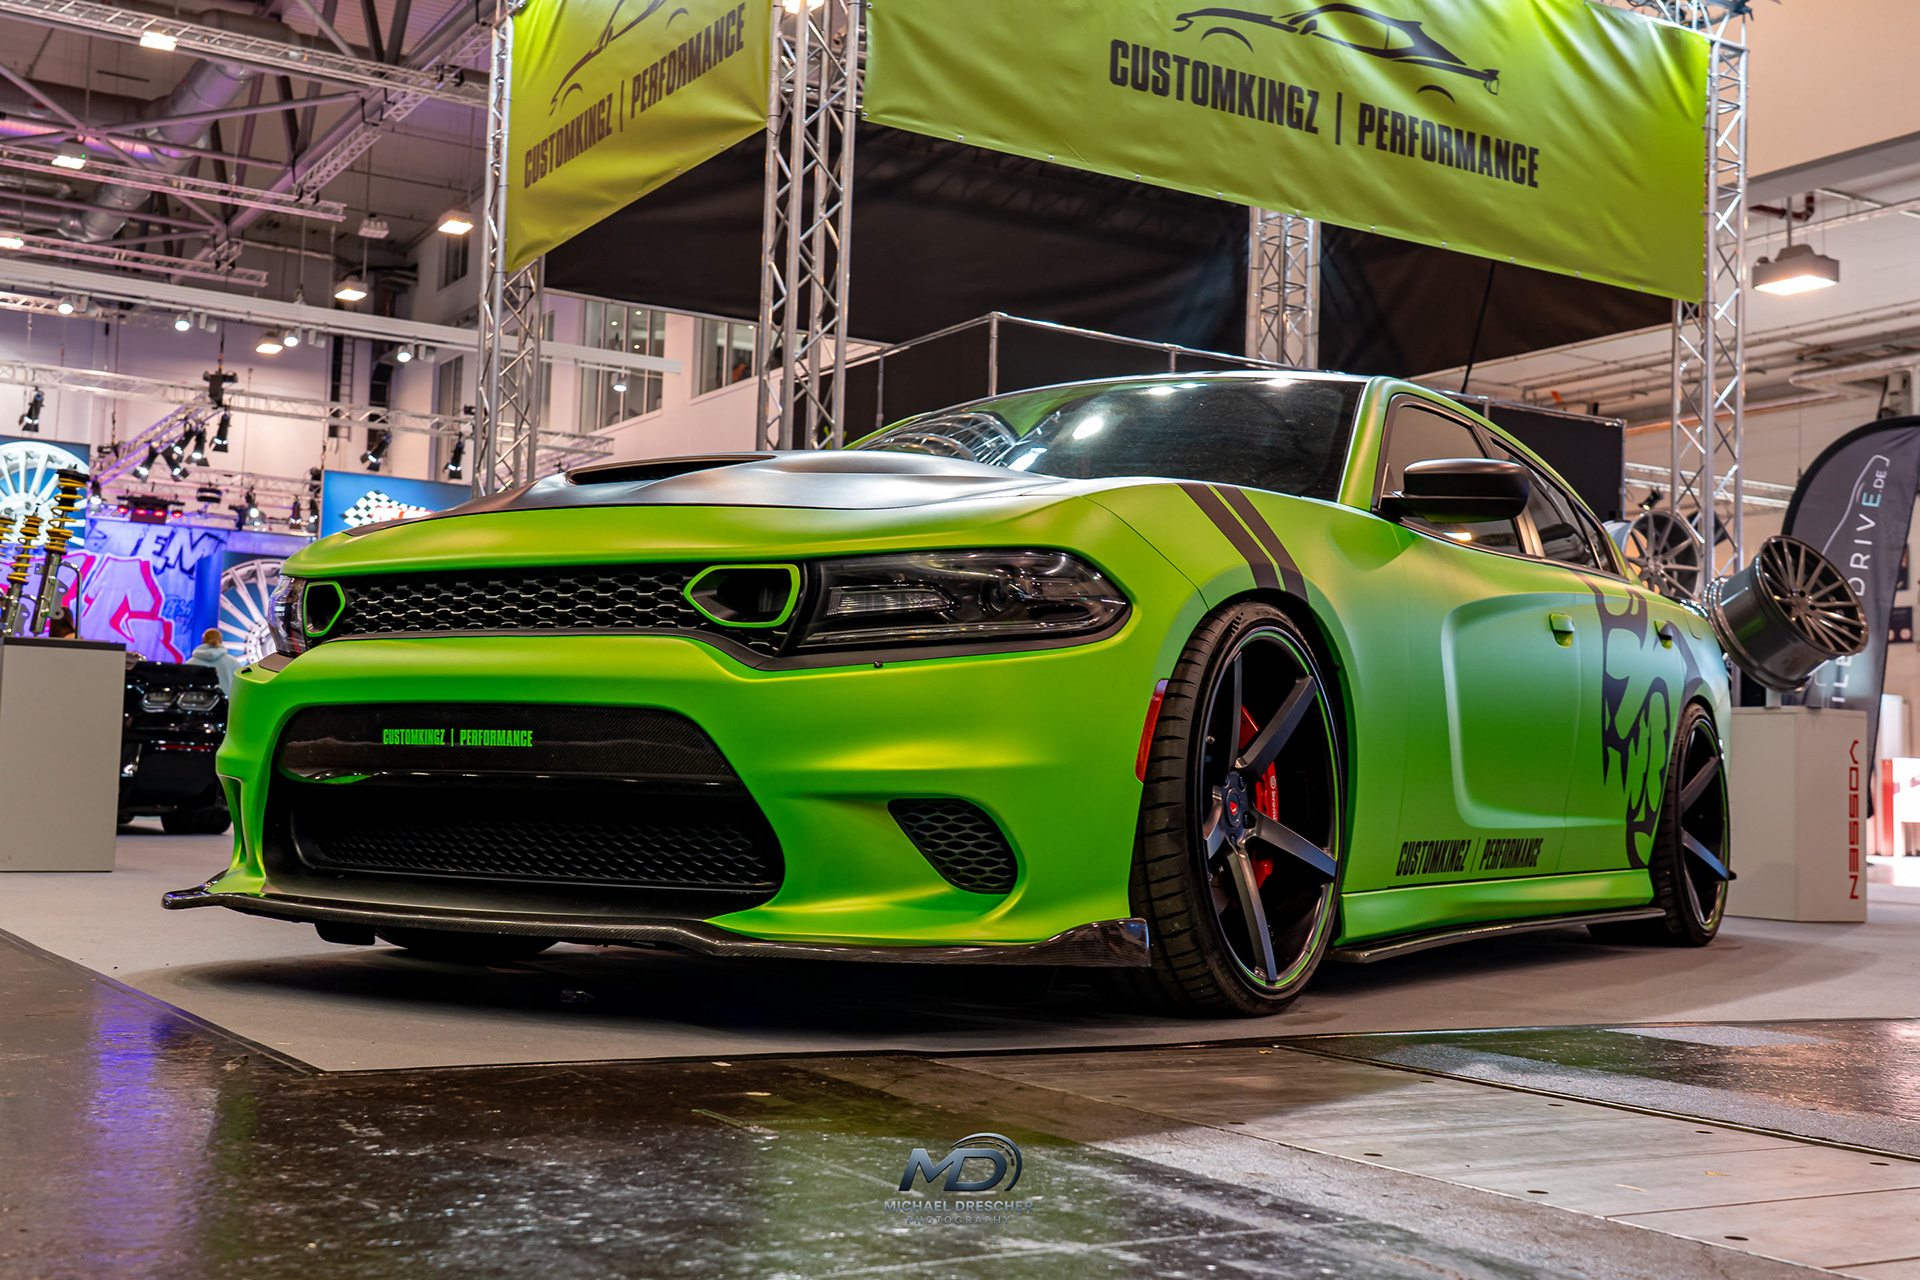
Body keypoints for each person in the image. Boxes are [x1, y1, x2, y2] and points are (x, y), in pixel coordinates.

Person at [186, 628, 240, 696]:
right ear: (221, 641)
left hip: (195, 701)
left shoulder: (190, 664)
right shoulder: (234, 663)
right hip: (227, 701)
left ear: (203, 641)